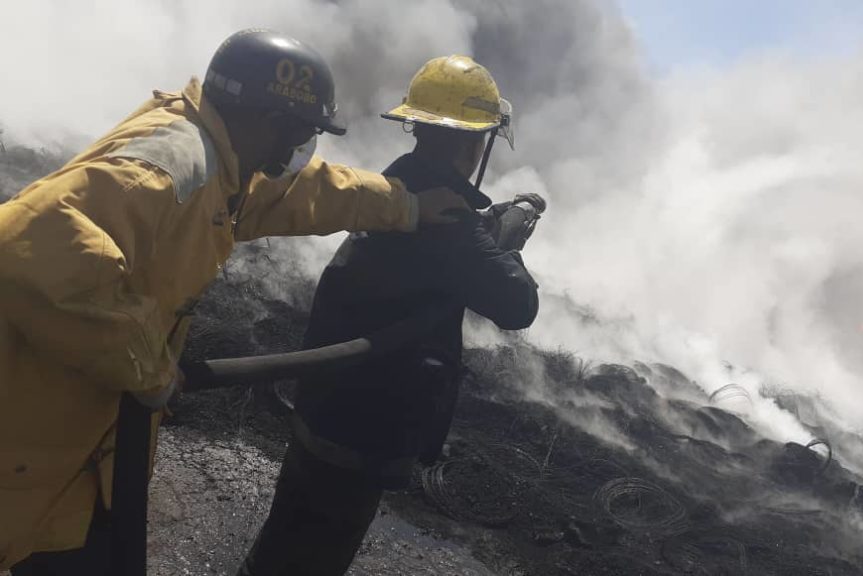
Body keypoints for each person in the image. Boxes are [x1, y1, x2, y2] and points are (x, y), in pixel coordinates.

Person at [0, 30, 470, 574]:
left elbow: (302, 193)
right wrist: (150, 368)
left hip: (84, 449)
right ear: (272, 123)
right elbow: (27, 246)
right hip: (32, 431)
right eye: (302, 132)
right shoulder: (172, 166)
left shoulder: (222, 160)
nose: (302, 148)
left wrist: (408, 206)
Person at [237, 55, 544, 576]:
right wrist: (506, 248)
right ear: (475, 143)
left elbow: (428, 260)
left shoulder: (394, 186)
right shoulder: (450, 226)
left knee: (285, 541)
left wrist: (481, 234)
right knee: (314, 555)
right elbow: (519, 305)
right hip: (366, 426)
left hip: (323, 403)